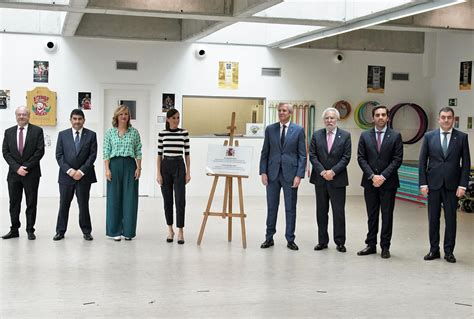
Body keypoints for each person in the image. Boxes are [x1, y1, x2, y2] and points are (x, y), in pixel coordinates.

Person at [419, 107, 471, 263]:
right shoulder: (429, 137)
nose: (446, 120)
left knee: (451, 220)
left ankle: (449, 252)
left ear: (453, 119)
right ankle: (433, 250)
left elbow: (466, 163)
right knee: (433, 219)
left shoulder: (461, 137)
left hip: (452, 186)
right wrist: (423, 183)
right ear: (439, 119)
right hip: (433, 185)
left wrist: (463, 185)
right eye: (443, 117)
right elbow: (422, 162)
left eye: (449, 117)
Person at [357, 105, 403, 259]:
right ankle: (370, 245)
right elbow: (361, 158)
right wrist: (372, 176)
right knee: (372, 215)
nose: (381, 117)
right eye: (377, 115)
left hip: (388, 184)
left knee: (387, 215)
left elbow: (397, 160)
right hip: (370, 183)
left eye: (383, 114)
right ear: (373, 118)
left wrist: (382, 177)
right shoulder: (364, 136)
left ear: (388, 117)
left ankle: (385, 246)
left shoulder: (396, 136)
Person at [259, 102, 306, 250]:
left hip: (290, 175)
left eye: (284, 110)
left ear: (290, 113)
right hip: (272, 174)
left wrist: (299, 175)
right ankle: (269, 237)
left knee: (290, 208)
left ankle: (290, 239)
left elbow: (302, 155)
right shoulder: (270, 129)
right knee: (271, 207)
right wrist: (263, 172)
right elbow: (264, 152)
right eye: (279, 110)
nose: (281, 113)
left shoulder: (298, 130)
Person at [309, 107, 351, 253]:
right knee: (321, 211)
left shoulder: (345, 136)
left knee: (338, 212)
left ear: (337, 119)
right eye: (327, 118)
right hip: (320, 180)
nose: (329, 120)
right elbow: (312, 155)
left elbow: (346, 157)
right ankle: (322, 241)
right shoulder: (316, 135)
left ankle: (340, 242)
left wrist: (332, 172)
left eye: (332, 118)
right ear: (323, 120)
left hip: (337, 180)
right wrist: (322, 171)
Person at [53, 109, 97, 241]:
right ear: (70, 120)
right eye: (74, 119)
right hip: (66, 177)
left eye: (80, 119)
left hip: (84, 177)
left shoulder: (91, 135)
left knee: (83, 205)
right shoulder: (62, 135)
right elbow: (59, 155)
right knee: (64, 205)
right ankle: (60, 231)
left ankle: (86, 231)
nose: (77, 121)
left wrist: (81, 171)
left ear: (84, 120)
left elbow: (92, 155)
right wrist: (70, 171)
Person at [2, 106, 45, 240]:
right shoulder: (8, 132)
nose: (22, 117)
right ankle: (14, 229)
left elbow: (40, 151)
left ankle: (30, 230)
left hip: (31, 174)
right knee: (14, 203)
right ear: (16, 116)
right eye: (19, 114)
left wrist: (25, 167)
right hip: (14, 174)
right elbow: (6, 152)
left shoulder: (37, 131)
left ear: (29, 116)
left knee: (31, 202)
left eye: (24, 114)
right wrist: (17, 168)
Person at [103, 105, 142, 241]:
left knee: (130, 199)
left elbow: (138, 150)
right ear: (116, 117)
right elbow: (106, 152)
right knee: (114, 198)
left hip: (130, 165)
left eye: (126, 114)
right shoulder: (110, 133)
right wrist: (107, 169)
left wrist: (139, 168)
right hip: (114, 165)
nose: (124, 116)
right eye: (121, 114)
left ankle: (129, 231)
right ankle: (114, 231)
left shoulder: (134, 132)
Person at [156, 109, 191, 244]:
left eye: (178, 118)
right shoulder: (162, 134)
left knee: (180, 199)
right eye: (174, 118)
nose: (177, 120)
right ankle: (170, 230)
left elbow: (187, 154)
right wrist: (158, 173)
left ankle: (181, 231)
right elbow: (159, 155)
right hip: (165, 166)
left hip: (179, 165)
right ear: (168, 120)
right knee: (167, 200)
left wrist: (188, 172)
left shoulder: (184, 133)